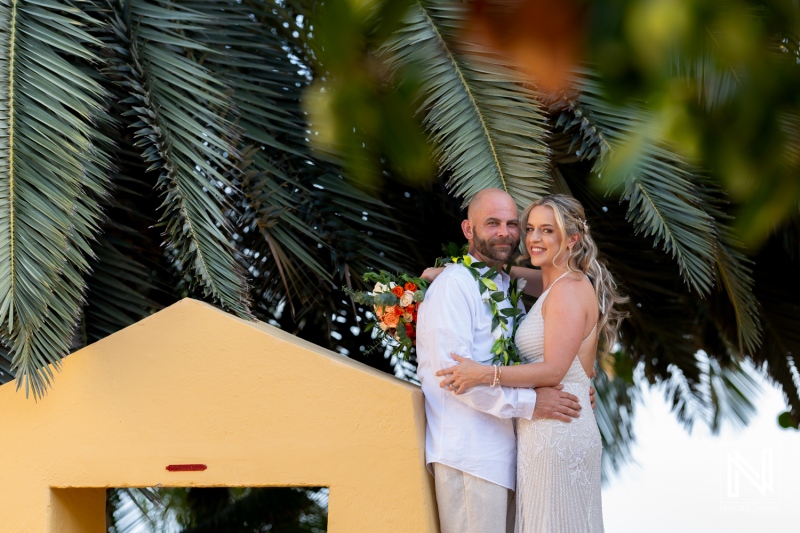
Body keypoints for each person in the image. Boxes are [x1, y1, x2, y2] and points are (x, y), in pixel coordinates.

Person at [437, 193, 628, 533]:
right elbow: (504, 272)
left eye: (547, 230)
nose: (534, 239)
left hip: (557, 428)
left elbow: (554, 369)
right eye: (530, 229)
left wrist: (484, 374)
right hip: (552, 424)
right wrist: (447, 273)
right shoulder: (554, 281)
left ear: (572, 239)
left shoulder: (569, 288)